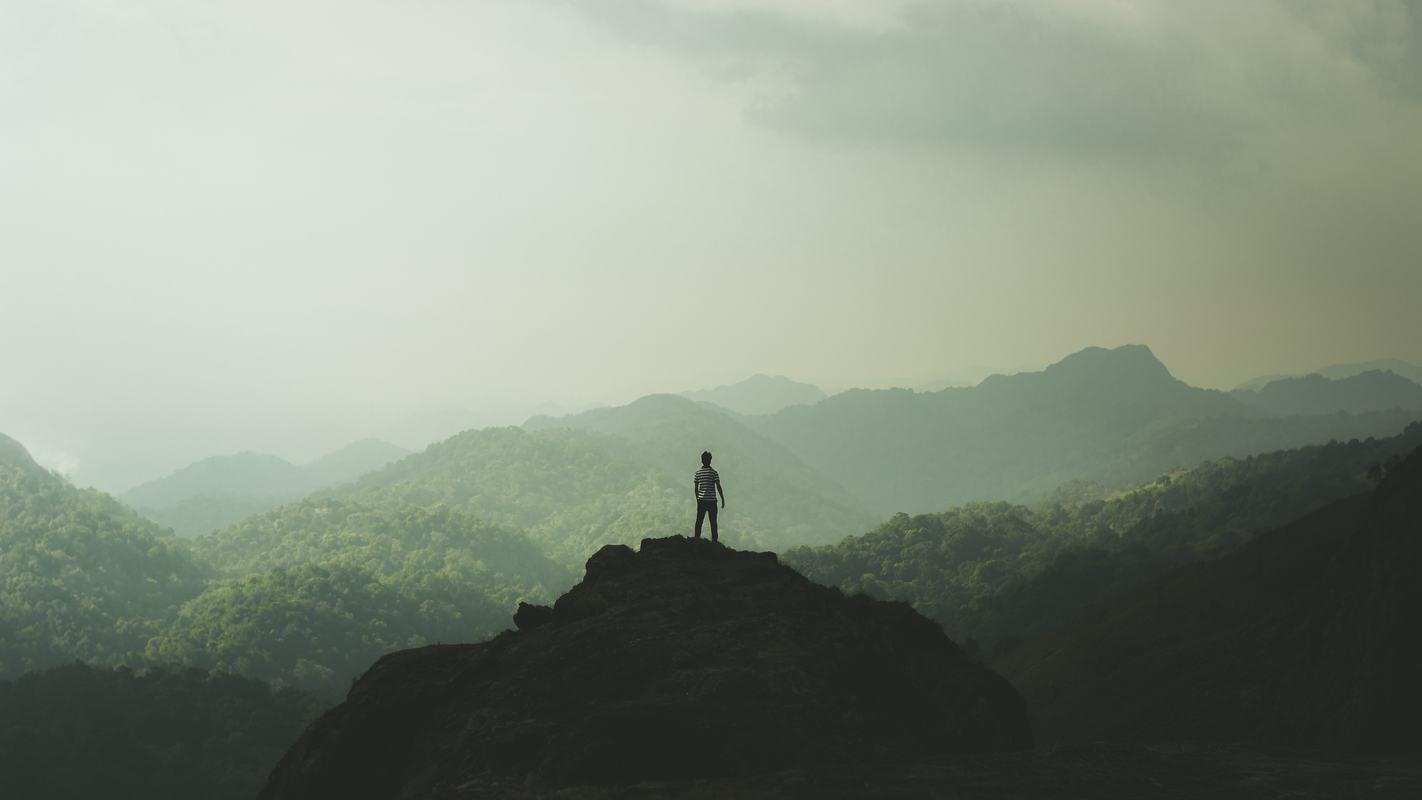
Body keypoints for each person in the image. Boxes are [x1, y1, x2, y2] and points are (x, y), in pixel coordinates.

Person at [693, 450, 725, 542]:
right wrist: (722, 499)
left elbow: (696, 488)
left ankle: (696, 539)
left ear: (702, 460)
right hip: (712, 501)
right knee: (713, 522)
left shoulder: (697, 473)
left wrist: (697, 499)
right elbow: (718, 486)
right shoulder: (714, 472)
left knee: (699, 521)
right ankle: (714, 542)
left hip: (701, 501)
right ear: (710, 460)